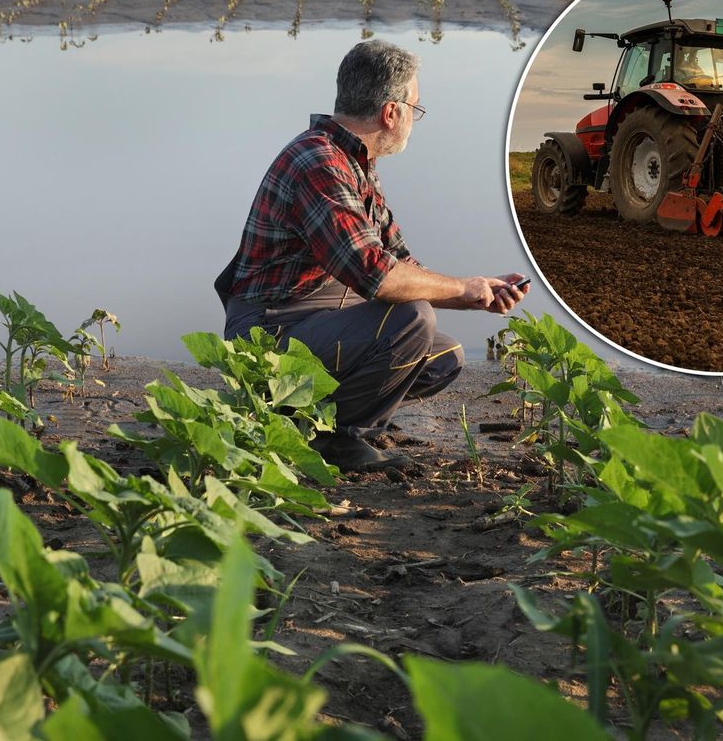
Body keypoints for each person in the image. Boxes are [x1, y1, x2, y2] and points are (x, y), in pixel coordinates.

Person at [216, 39, 527, 470]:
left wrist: (478, 294)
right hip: (268, 330)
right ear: (391, 112)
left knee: (442, 358)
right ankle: (340, 440)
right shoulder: (319, 163)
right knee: (412, 320)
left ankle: (306, 417)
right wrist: (461, 287)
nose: (414, 121)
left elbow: (400, 261)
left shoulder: (355, 162)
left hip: (313, 316)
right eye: (415, 110)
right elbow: (376, 275)